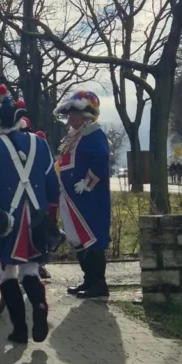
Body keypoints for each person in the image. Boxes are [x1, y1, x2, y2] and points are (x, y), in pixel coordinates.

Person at [0, 86, 60, 346]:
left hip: (8, 218)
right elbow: (51, 182)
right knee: (31, 270)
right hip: (36, 215)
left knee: (8, 274)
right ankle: (39, 305)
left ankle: (20, 330)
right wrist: (50, 212)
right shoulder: (40, 143)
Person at [55, 89, 111, 300]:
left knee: (92, 238)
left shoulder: (93, 134)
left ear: (85, 115)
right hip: (72, 198)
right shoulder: (73, 136)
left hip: (89, 198)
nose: (69, 118)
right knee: (78, 239)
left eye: (74, 114)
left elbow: (101, 159)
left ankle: (99, 283)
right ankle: (89, 279)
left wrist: (88, 182)